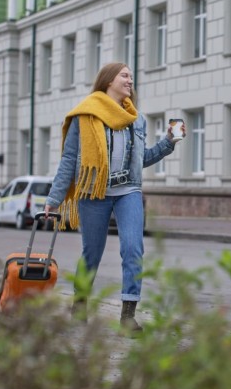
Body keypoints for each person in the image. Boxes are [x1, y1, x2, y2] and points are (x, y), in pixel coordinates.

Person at [44, 62, 184, 334]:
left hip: (128, 191)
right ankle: (80, 306)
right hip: (93, 192)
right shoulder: (86, 115)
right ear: (109, 80)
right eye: (125, 76)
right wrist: (54, 198)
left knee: (133, 249)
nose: (130, 80)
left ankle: (128, 315)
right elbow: (70, 160)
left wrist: (168, 143)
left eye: (131, 76)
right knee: (91, 253)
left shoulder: (136, 119)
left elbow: (141, 160)